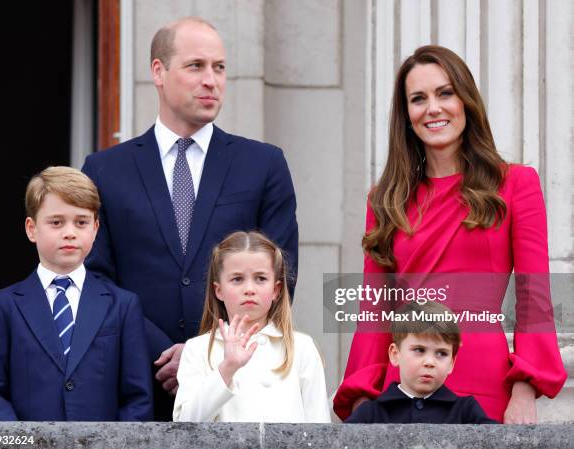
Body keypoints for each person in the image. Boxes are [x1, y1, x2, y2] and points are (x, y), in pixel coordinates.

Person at [334, 45, 566, 424]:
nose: (433, 108)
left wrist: (525, 389)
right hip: (405, 385)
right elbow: (374, 310)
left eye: (445, 93)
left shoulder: (515, 184)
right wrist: (363, 396)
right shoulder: (385, 199)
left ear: (466, 101)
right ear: (406, 115)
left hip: (484, 381)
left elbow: (533, 296)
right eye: (418, 99)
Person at [82, 17, 298, 420]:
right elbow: (94, 280)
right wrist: (160, 353)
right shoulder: (105, 170)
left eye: (219, 67)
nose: (211, 80)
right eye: (196, 66)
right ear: (158, 72)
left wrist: (204, 356)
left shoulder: (263, 165)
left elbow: (282, 273)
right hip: (134, 385)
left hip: (239, 388)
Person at [0, 167, 152, 421]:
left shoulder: (123, 305)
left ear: (95, 228)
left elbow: (137, 398)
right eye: (56, 222)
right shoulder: (2, 306)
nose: (70, 232)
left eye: (81, 222)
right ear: (31, 229)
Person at [173, 231, 329, 422]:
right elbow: (184, 425)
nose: (249, 289)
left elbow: (320, 429)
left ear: (276, 290)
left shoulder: (302, 348)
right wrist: (227, 369)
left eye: (261, 279)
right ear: (219, 290)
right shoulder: (197, 349)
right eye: (237, 279)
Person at [346, 301, 496, 424]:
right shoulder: (371, 413)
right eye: (419, 350)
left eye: (441, 353)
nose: (430, 362)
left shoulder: (466, 411)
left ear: (452, 362)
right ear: (395, 354)